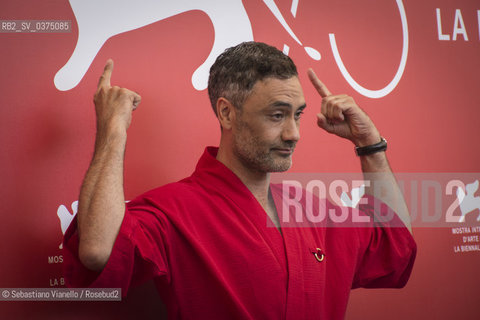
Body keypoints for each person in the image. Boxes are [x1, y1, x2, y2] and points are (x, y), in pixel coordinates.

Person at [63, 42, 416, 319]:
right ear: (227, 113)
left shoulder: (311, 209)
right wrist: (113, 130)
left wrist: (370, 144)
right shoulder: (173, 212)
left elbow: (394, 246)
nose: (293, 134)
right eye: (277, 115)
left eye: (298, 115)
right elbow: (96, 251)